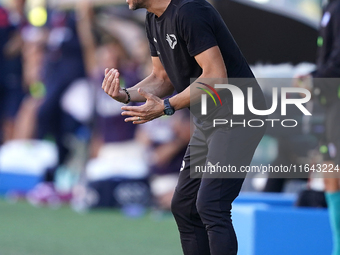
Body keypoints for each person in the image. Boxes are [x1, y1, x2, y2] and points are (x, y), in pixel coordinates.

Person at [102, 0, 267, 254]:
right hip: (209, 120)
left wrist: (167, 106)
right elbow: (162, 78)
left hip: (239, 114)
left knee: (212, 205)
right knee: (184, 206)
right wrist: (125, 94)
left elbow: (215, 76)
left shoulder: (189, 10)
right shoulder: (153, 18)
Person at [297, 0, 340, 254]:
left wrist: (314, 79)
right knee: (331, 178)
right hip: (330, 103)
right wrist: (311, 76)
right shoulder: (329, 5)